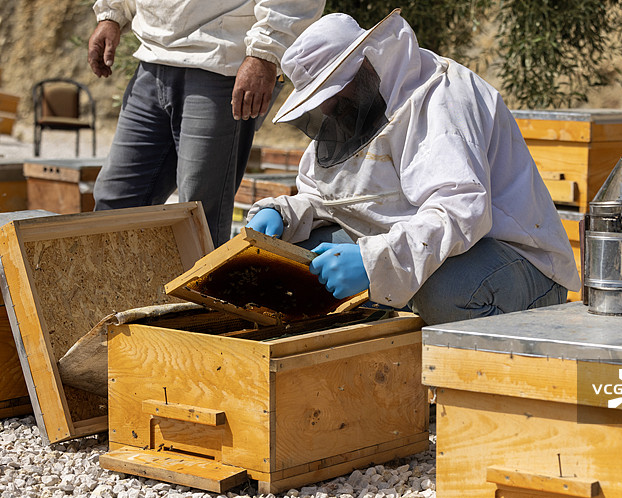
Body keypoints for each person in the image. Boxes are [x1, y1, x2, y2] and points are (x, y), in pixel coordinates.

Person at [247, 9, 581, 325]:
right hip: (431, 248)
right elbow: (333, 200)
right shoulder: (354, 109)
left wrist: (374, 263)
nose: (332, 109)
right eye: (323, 101)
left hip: (513, 260)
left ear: (364, 63)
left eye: (335, 95)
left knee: (443, 292)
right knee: (302, 260)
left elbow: (461, 212)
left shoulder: (443, 98)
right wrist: (285, 213)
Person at [87, 0, 325, 247]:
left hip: (220, 65)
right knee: (114, 201)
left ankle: (197, 285)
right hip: (151, 58)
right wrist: (111, 14)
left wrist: (263, 54)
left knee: (198, 215)